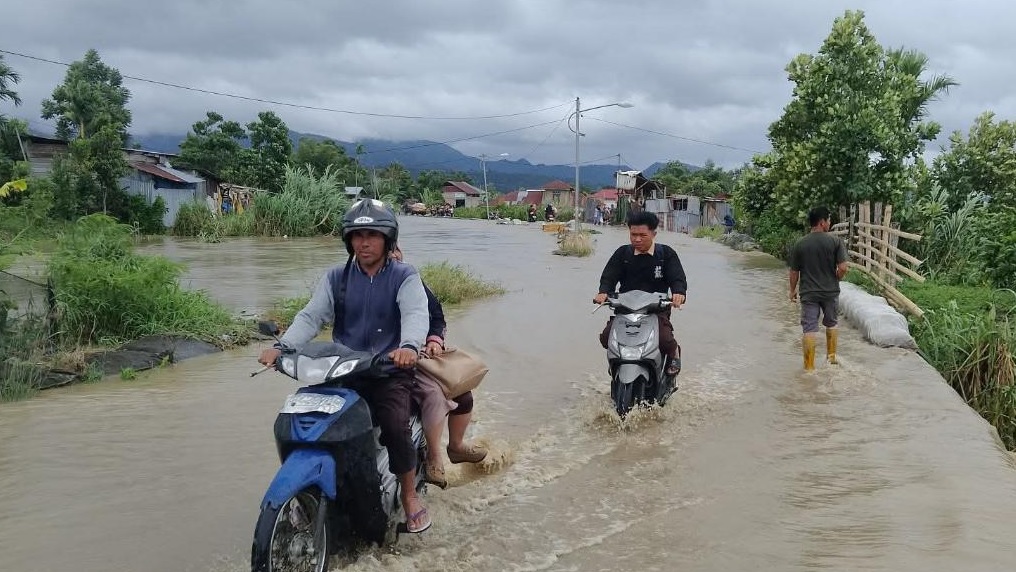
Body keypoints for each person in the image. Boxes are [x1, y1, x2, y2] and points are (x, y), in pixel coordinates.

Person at [257, 199, 433, 534]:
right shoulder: (336, 278)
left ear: (388, 239)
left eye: (372, 234)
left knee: (396, 425)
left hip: (387, 371)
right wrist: (282, 348)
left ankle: (409, 495)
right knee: (306, 420)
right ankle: (308, 490)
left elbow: (415, 313)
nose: (363, 242)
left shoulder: (404, 276)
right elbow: (311, 316)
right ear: (347, 239)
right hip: (341, 370)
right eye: (357, 235)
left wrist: (409, 347)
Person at [390, 244, 487, 489]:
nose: (393, 255)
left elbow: (436, 316)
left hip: (412, 356)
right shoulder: (352, 283)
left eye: (396, 249)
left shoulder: (411, 282)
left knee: (454, 391)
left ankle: (442, 453)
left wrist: (434, 340)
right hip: (370, 361)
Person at [593, 210, 687, 377]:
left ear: (654, 233)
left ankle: (674, 354)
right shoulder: (622, 254)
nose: (637, 239)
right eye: (633, 234)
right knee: (607, 337)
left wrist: (679, 293)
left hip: (656, 310)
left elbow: (677, 278)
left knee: (664, 339)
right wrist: (603, 292)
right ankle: (616, 364)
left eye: (642, 235)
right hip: (626, 308)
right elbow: (609, 276)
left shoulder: (666, 254)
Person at [788, 206, 848, 371]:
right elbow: (843, 268)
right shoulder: (835, 242)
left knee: (809, 329)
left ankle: (809, 368)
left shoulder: (800, 244)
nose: (830, 223)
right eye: (828, 220)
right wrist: (836, 278)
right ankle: (832, 359)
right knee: (832, 324)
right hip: (830, 292)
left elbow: (794, 272)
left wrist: (792, 290)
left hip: (808, 293)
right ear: (822, 222)